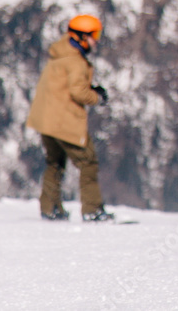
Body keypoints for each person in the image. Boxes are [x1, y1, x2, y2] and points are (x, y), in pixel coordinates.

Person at [26, 14, 114, 222]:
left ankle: (50, 207)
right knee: (88, 162)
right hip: (64, 121)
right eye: (94, 35)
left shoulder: (58, 54)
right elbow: (78, 93)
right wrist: (97, 97)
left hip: (45, 121)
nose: (97, 40)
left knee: (54, 163)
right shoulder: (76, 61)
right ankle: (92, 210)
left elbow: (63, 86)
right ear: (83, 36)